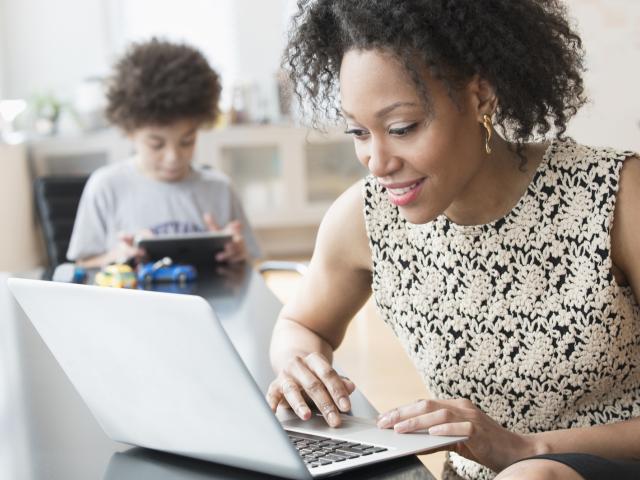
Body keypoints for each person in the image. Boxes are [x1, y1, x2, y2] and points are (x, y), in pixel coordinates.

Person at [266, 1, 640, 479]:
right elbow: (302, 323)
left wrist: (528, 449)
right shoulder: (365, 217)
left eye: (402, 128)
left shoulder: (614, 196)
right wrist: (299, 362)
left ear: (481, 96)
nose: (376, 161)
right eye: (359, 132)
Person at [67, 38, 261, 268]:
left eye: (187, 141)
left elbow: (253, 263)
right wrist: (117, 257)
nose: (174, 156)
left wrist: (238, 254)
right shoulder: (106, 187)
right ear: (130, 131)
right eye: (156, 144)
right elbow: (81, 266)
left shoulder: (219, 188)